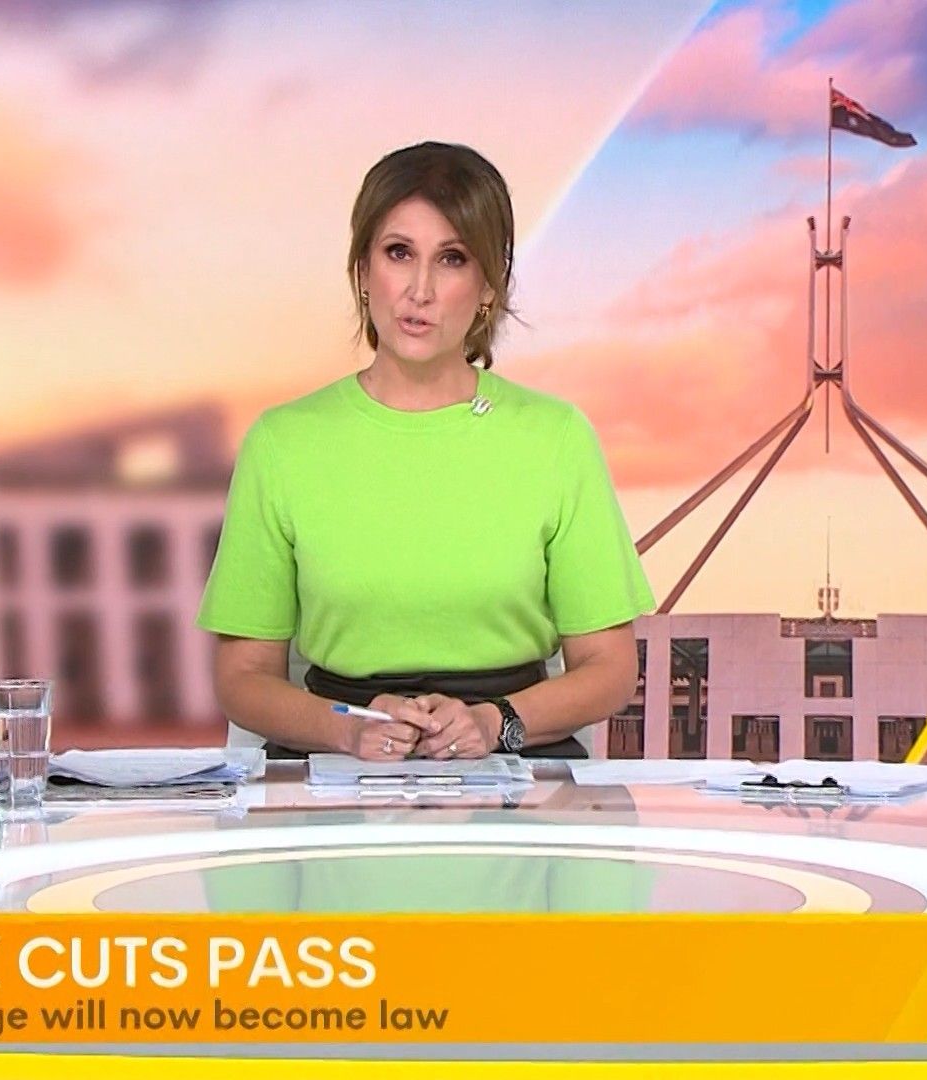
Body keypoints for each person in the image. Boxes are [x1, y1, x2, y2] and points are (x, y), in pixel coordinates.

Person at [196, 141, 654, 760]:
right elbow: (243, 678)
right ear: (363, 271)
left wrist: (494, 723)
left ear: (488, 285)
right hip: (333, 763)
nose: (420, 290)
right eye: (399, 253)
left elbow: (610, 668)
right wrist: (348, 728)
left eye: (452, 259)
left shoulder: (557, 437)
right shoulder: (282, 442)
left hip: (515, 760)